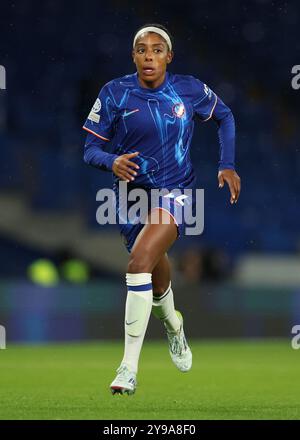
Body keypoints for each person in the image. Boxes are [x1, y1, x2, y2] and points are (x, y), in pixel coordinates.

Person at [83, 23, 241, 395]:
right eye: (142, 50)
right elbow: (90, 149)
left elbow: (226, 116)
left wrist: (227, 163)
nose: (149, 56)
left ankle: (127, 368)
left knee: (138, 262)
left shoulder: (187, 89)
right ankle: (173, 325)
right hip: (129, 197)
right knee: (151, 263)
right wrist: (112, 161)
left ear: (169, 56)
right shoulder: (114, 93)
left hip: (176, 191)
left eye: (157, 50)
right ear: (133, 56)